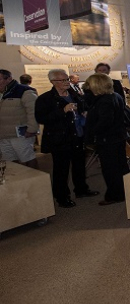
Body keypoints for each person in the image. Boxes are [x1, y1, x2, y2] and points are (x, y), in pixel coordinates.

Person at [35, 69, 98, 208]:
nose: (66, 82)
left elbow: (84, 107)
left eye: (67, 80)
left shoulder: (75, 95)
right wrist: (62, 111)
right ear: (52, 82)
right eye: (62, 80)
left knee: (79, 166)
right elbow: (41, 118)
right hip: (60, 139)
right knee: (61, 169)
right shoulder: (45, 99)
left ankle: (81, 189)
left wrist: (85, 112)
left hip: (78, 135)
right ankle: (62, 197)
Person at [84, 74, 130, 206]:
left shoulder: (104, 101)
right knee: (121, 167)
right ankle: (125, 191)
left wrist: (91, 131)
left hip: (107, 140)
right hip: (117, 138)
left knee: (110, 170)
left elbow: (105, 122)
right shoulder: (116, 96)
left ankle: (115, 195)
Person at [0, 69, 39, 169]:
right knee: (9, 160)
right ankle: (19, 182)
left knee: (28, 158)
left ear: (9, 78)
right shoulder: (1, 93)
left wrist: (32, 129)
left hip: (21, 134)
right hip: (3, 135)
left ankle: (36, 181)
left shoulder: (24, 91)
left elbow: (33, 111)